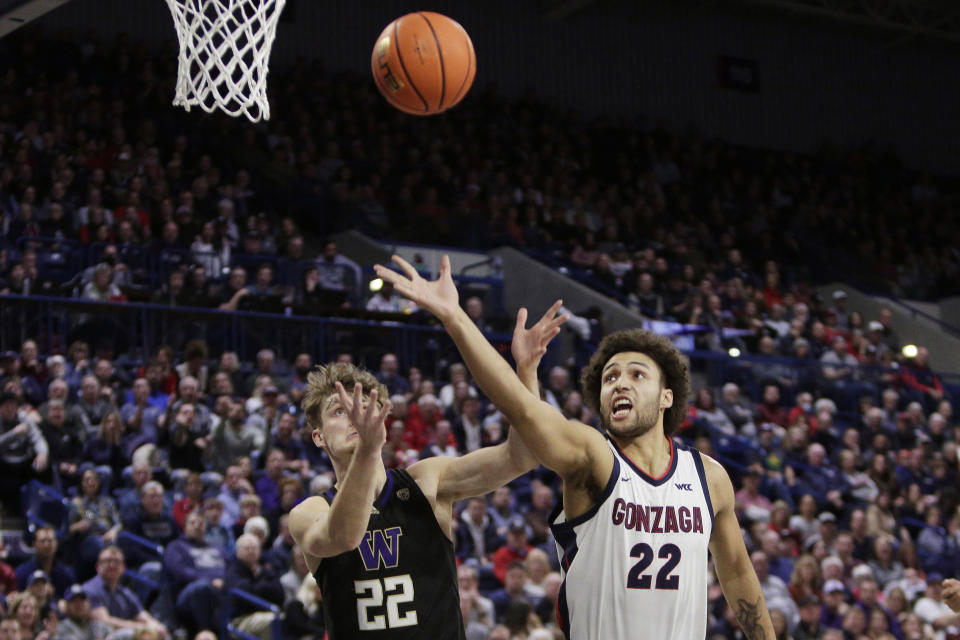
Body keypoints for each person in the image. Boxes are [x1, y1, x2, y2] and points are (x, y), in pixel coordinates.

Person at [376, 254, 775, 639]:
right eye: (610, 377)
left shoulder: (709, 477)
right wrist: (454, 317)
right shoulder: (594, 456)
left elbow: (737, 571)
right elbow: (524, 412)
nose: (620, 382)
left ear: (667, 396)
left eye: (638, 375)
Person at [289, 300, 566, 639]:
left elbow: (521, 457)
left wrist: (526, 371)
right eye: (339, 411)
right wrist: (366, 451)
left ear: (382, 418)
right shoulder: (309, 512)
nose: (355, 415)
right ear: (318, 437)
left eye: (363, 404)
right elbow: (345, 536)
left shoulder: (426, 481)